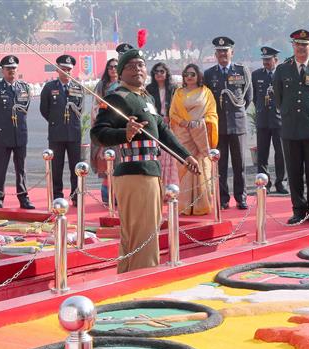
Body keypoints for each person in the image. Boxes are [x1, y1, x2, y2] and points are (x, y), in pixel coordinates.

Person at [91, 49, 200, 273]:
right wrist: (125, 133)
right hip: (133, 171)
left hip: (151, 170)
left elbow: (163, 131)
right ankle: (143, 275)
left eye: (141, 64)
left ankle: (129, 275)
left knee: (144, 230)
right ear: (121, 72)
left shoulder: (146, 98)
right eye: (131, 66)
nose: (138, 69)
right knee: (142, 233)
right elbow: (98, 133)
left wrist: (185, 155)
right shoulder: (117, 98)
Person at [273, 29, 309, 225]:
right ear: (293, 46)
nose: (301, 48)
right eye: (298, 44)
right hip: (291, 127)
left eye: (305, 45)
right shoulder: (282, 69)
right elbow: (279, 99)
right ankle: (298, 209)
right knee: (294, 171)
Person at [204, 36, 252, 210]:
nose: (223, 54)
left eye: (226, 51)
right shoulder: (209, 74)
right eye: (219, 51)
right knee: (220, 165)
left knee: (239, 165)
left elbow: (248, 97)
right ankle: (223, 199)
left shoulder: (241, 70)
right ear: (215, 54)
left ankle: (241, 198)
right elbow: (207, 99)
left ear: (232, 52)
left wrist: (237, 113)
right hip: (218, 125)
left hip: (238, 124)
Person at [0, 55, 34, 209]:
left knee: (21, 169)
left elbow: (25, 109)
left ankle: (23, 198)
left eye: (14, 68)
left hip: (20, 134)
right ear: (2, 70)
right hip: (2, 134)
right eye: (8, 68)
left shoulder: (24, 87)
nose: (11, 71)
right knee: (0, 168)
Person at [170, 64, 218, 215]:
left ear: (198, 76)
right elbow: (173, 113)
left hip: (201, 135)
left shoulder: (206, 92)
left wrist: (200, 123)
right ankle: (185, 205)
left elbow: (212, 113)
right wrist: (185, 123)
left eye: (192, 74)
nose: (189, 77)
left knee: (202, 165)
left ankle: (201, 205)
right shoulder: (178, 93)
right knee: (185, 165)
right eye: (186, 75)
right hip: (183, 134)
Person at [40, 54, 84, 205]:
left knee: (75, 167)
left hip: (74, 133)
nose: (66, 72)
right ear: (58, 69)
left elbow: (80, 108)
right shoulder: (49, 87)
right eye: (63, 69)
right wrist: (56, 121)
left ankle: (76, 195)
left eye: (69, 70)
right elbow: (44, 109)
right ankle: (57, 196)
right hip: (56, 133)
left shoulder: (78, 87)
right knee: (56, 167)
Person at [252, 46, 287, 194]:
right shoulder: (256, 74)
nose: (266, 62)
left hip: (279, 120)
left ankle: (281, 182)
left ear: (276, 60)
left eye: (269, 60)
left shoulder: (282, 74)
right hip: (263, 119)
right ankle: (264, 181)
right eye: (264, 60)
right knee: (262, 154)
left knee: (281, 153)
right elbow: (253, 97)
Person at [90, 58, 120, 205]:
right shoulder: (101, 86)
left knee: (117, 162)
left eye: (116, 66)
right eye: (110, 67)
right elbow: (95, 105)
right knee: (103, 161)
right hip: (103, 124)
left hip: (119, 127)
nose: (113, 69)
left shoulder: (123, 85)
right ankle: (106, 196)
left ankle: (118, 195)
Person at [146, 62, 179, 190]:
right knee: (158, 156)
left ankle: (171, 187)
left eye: (161, 71)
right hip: (156, 125)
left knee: (171, 157)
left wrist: (171, 118)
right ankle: (158, 187)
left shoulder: (174, 88)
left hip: (172, 125)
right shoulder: (149, 89)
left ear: (166, 73)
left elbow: (178, 107)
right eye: (156, 72)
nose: (159, 74)